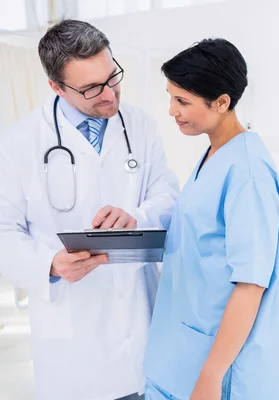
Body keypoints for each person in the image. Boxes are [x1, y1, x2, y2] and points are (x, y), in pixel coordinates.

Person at [0, 20, 179, 400]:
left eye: (112, 76)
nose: (110, 95)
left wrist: (138, 217)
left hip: (141, 319)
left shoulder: (140, 125)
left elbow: (167, 194)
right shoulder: (18, 144)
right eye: (92, 88)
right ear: (56, 87)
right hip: (74, 340)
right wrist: (49, 263)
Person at [143, 39, 279, 400]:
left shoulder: (248, 172)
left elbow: (251, 283)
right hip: (183, 346)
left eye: (182, 101)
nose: (171, 110)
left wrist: (211, 375)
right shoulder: (214, 153)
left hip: (221, 368)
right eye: (171, 97)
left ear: (222, 102)